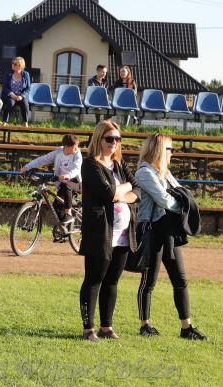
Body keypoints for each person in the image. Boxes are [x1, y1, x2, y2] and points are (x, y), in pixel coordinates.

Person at [134, 134, 207, 340]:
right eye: (170, 149)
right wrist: (183, 207)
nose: (172, 153)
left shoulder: (164, 172)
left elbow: (181, 192)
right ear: (159, 150)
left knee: (180, 279)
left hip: (169, 231)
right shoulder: (144, 172)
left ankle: (186, 327)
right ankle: (145, 324)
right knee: (149, 280)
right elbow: (164, 200)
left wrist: (183, 202)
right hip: (153, 230)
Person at [79, 119, 138, 341]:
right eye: (110, 138)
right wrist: (122, 190)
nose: (114, 142)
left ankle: (106, 327)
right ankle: (88, 329)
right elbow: (107, 193)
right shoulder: (90, 165)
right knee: (94, 280)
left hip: (123, 234)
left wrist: (121, 192)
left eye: (118, 139)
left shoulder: (119, 164)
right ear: (99, 139)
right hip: (101, 233)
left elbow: (138, 189)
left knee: (112, 281)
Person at [20, 134, 82, 226]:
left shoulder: (77, 154)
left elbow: (76, 169)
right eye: (74, 147)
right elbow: (43, 159)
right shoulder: (58, 152)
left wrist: (67, 175)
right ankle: (63, 229)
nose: (76, 149)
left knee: (66, 186)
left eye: (77, 147)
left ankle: (68, 214)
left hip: (75, 182)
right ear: (66, 146)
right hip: (61, 182)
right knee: (56, 207)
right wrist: (27, 167)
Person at [1, 56, 31, 126]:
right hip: (10, 96)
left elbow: (28, 88)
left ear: (20, 66)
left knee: (25, 103)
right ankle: (4, 122)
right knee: (10, 103)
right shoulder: (8, 73)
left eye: (15, 64)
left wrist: (21, 96)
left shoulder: (26, 74)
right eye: (12, 63)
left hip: (20, 96)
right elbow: (5, 87)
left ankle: (25, 122)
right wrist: (12, 95)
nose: (12, 65)